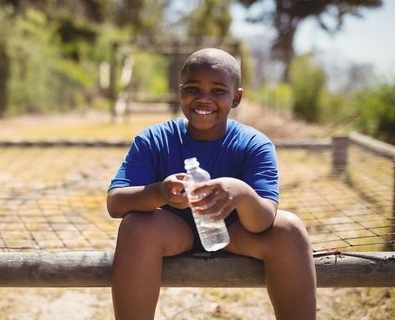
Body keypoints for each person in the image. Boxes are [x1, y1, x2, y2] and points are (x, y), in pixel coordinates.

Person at [107, 48, 316, 320]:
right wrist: (160, 192)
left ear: (236, 97)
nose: (204, 98)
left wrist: (241, 194)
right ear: (180, 91)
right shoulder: (154, 139)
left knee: (289, 229)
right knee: (135, 225)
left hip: (235, 231)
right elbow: (115, 203)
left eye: (218, 90)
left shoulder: (255, 145)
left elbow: (262, 222)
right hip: (171, 230)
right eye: (193, 88)